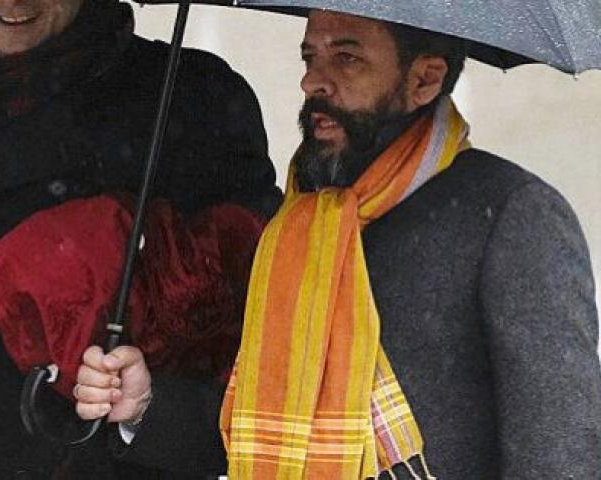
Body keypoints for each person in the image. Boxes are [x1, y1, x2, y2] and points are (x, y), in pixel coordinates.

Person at [76, 9, 601, 479]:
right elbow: (260, 426)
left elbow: (558, 449)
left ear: (424, 79)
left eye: (346, 58)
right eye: (310, 57)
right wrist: (145, 405)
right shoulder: (301, 223)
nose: (312, 81)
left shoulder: (511, 212)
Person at [0, 0, 281, 478]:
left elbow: (253, 300)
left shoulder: (187, 92)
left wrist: (143, 395)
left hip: (100, 459)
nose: (14, 2)